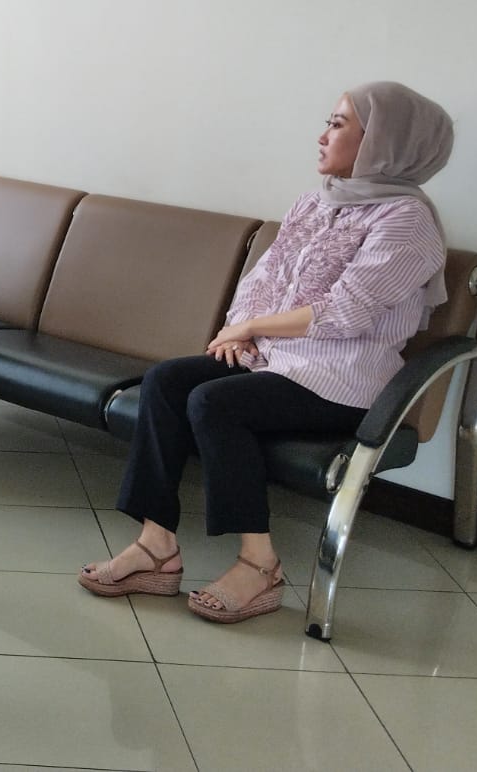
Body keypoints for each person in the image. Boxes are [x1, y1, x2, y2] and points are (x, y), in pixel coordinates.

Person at [78, 82, 451, 624]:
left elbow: (347, 311)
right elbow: (265, 275)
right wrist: (240, 331)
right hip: (274, 360)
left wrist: (251, 327)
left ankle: (260, 565)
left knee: (214, 403)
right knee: (165, 381)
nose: (323, 135)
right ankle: (156, 546)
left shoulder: (407, 220)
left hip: (341, 381)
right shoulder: (315, 201)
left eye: (339, 124)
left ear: (384, 141)